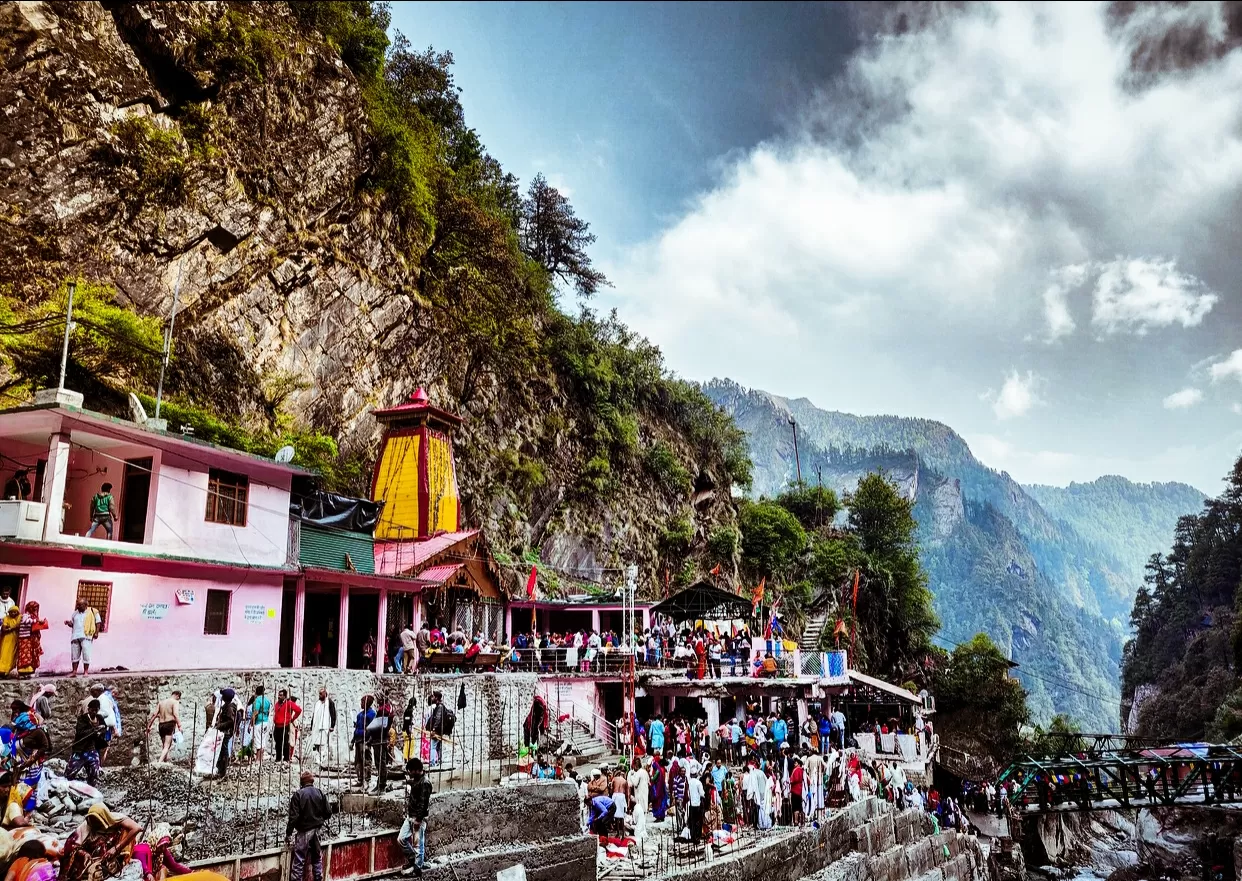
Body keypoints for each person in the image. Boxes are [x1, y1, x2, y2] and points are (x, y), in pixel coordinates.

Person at [59, 804, 142, 881]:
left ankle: (119, 861)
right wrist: (84, 854)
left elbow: (137, 828)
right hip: (93, 854)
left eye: (97, 822)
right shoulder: (87, 825)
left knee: (126, 832)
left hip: (114, 850)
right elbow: (71, 844)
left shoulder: (116, 818)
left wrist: (117, 848)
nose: (95, 824)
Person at [287, 771, 330, 881]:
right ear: (312, 781)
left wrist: (288, 834)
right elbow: (328, 812)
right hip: (317, 830)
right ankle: (318, 878)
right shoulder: (319, 793)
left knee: (299, 859)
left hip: (304, 831)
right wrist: (319, 820)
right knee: (316, 857)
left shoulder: (298, 795)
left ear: (302, 783)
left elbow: (293, 817)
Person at [398, 758, 432, 876]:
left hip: (418, 818)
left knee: (418, 844)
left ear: (417, 770)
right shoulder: (417, 780)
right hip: (410, 816)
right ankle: (414, 860)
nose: (409, 773)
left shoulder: (425, 783)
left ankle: (417, 869)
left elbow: (423, 804)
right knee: (401, 839)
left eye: (410, 771)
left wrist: (418, 819)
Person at [66, 700, 108, 787]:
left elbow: (104, 728)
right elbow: (80, 732)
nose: (94, 712)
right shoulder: (82, 719)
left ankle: (91, 789)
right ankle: (67, 787)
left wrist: (101, 731)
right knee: (70, 773)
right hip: (80, 750)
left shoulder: (99, 718)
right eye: (92, 710)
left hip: (92, 750)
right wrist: (94, 730)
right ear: (88, 709)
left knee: (94, 772)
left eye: (96, 710)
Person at [64, 599, 101, 677]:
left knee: (86, 654)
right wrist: (68, 623)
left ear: (85, 605)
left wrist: (96, 632)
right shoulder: (75, 613)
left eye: (80, 605)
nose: (78, 606)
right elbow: (73, 624)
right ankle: (74, 672)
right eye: (77, 604)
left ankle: (86, 672)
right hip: (75, 636)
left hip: (86, 636)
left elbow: (98, 622)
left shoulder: (93, 611)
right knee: (74, 654)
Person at [147, 690, 182, 763]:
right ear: (177, 696)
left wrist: (149, 726)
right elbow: (175, 714)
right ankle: (159, 763)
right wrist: (179, 726)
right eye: (179, 698)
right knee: (167, 746)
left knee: (164, 746)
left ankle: (165, 762)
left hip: (161, 725)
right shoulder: (175, 702)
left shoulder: (161, 703)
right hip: (169, 724)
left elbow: (154, 715)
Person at [13, 602, 46, 678]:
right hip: (24, 638)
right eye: (34, 608)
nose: (36, 610)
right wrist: (36, 621)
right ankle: (22, 672)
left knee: (30, 654)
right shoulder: (26, 615)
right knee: (25, 654)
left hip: (30, 638)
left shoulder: (32, 616)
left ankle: (29, 671)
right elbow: (25, 621)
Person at [307, 688, 336, 770]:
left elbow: (333, 714)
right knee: (316, 744)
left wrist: (332, 725)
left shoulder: (329, 703)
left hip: (325, 727)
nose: (319, 696)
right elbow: (314, 715)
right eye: (319, 694)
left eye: (321, 694)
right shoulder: (317, 703)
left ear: (325, 694)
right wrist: (312, 725)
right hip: (316, 727)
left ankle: (322, 761)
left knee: (323, 744)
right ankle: (317, 760)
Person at [214, 688, 239, 778]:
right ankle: (220, 770)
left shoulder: (230, 708)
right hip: (224, 731)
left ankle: (222, 771)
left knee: (224, 751)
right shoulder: (227, 706)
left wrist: (220, 725)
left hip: (226, 732)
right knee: (221, 750)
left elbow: (230, 721)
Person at [352, 696, 376, 788]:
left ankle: (367, 780)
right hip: (358, 740)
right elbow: (357, 728)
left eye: (362, 702)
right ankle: (360, 779)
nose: (361, 704)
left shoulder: (372, 714)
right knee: (358, 762)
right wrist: (352, 741)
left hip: (365, 740)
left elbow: (373, 729)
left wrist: (369, 741)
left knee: (366, 761)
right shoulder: (359, 715)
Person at [273, 689, 301, 763]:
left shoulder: (289, 703)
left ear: (285, 696)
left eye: (281, 695)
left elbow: (298, 710)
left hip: (284, 725)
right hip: (277, 726)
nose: (279, 696)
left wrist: (292, 718)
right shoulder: (277, 704)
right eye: (278, 695)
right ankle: (278, 758)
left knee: (285, 743)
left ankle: (286, 759)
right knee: (277, 743)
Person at [250, 686, 273, 763]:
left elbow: (255, 712)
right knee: (263, 740)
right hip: (266, 721)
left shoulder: (257, 700)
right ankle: (261, 758)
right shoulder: (267, 700)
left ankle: (257, 759)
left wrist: (251, 722)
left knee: (258, 741)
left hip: (259, 722)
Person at [686, 766, 706, 842]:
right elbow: (701, 793)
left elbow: (687, 793)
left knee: (692, 821)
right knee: (698, 821)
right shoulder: (698, 783)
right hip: (697, 804)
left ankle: (693, 836)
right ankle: (698, 836)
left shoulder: (689, 782)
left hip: (691, 804)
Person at [0, 605, 18, 677]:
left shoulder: (18, 619)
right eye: (12, 612)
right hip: (6, 640)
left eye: (15, 612)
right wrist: (12, 628)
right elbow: (3, 630)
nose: (13, 614)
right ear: (9, 612)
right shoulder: (6, 619)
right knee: (4, 654)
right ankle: (2, 670)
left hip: (14, 640)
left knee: (12, 656)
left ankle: (8, 672)